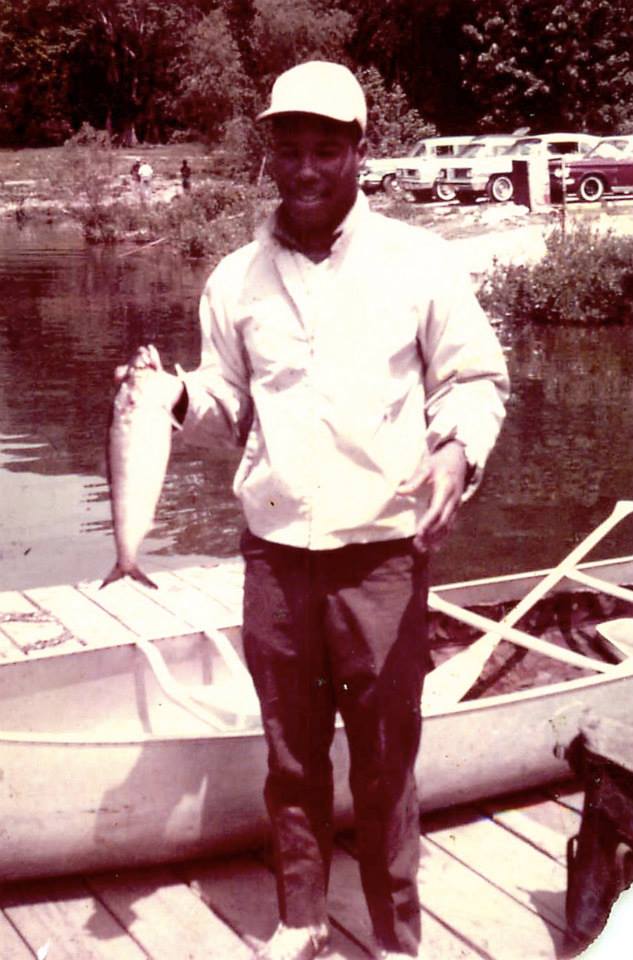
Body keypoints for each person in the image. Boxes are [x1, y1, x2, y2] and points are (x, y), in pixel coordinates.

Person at [125, 61, 509, 959]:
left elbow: (474, 379)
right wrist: (173, 398)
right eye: (288, 148)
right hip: (275, 557)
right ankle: (300, 920)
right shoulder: (234, 279)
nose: (304, 168)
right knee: (290, 756)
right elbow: (227, 400)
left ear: (359, 151)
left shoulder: (419, 262)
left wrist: (454, 450)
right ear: (268, 152)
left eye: (324, 149)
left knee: (384, 762)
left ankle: (396, 937)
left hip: (382, 554)